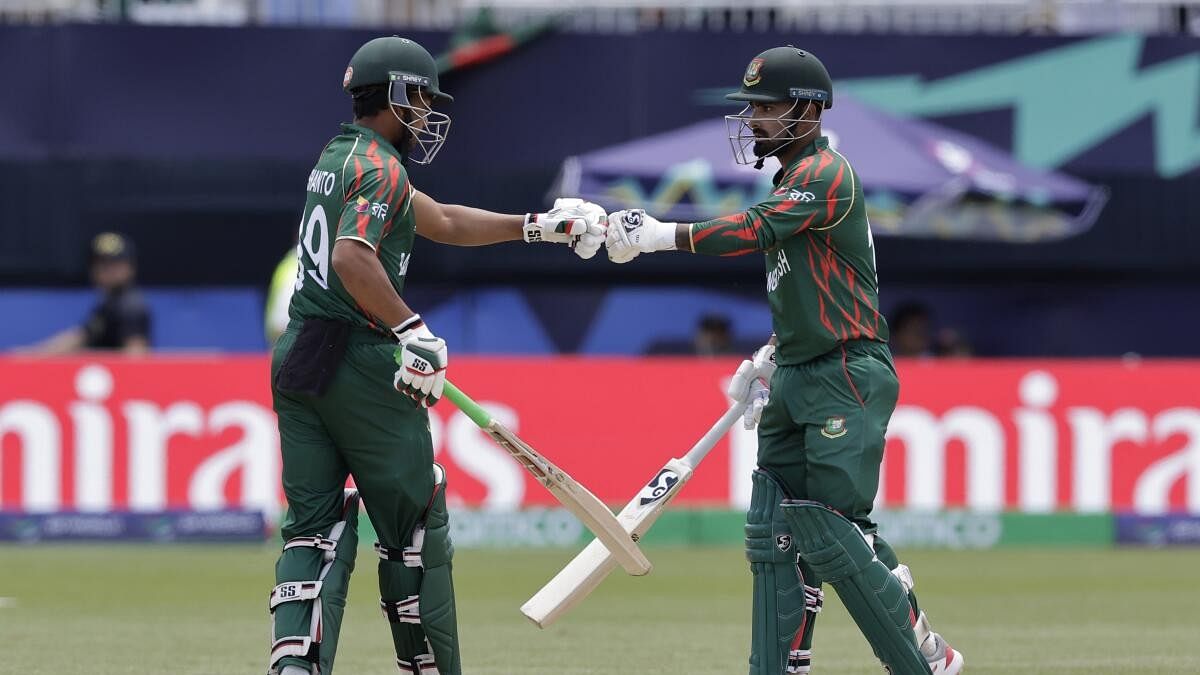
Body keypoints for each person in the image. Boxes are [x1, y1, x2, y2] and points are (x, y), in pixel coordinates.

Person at [604, 46, 962, 675]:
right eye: (753, 108)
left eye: (767, 108)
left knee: (831, 527)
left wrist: (661, 234)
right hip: (800, 370)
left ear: (808, 110)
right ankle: (782, 665)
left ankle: (922, 655)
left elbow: (753, 230)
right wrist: (774, 353)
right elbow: (805, 286)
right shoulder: (790, 179)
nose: (754, 120)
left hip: (847, 371)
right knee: (776, 531)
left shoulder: (826, 174)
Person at [266, 36, 606, 675]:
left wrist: (537, 225)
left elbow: (444, 221)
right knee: (416, 529)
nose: (427, 113)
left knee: (312, 529)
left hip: (301, 357)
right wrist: (412, 329)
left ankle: (293, 666)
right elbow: (350, 256)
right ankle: (429, 667)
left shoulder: (339, 157)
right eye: (421, 98)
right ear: (395, 95)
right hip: (358, 361)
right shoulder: (380, 169)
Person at [24, 232, 151, 354]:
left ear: (130, 267)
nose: (107, 270)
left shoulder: (132, 306)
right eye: (101, 263)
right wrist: (34, 355)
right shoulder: (108, 304)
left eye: (115, 264)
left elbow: (135, 355)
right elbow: (81, 336)